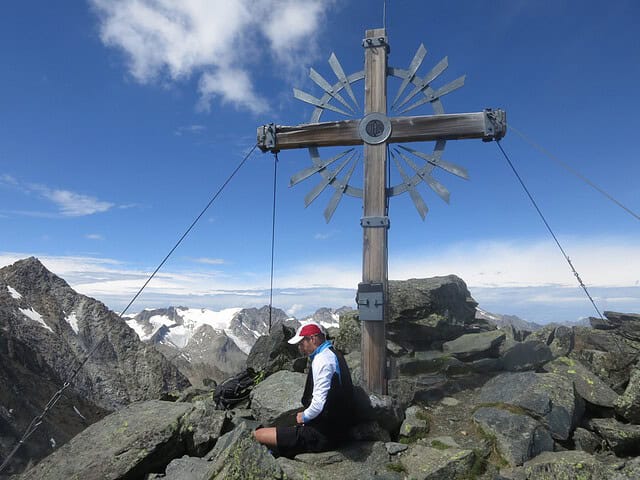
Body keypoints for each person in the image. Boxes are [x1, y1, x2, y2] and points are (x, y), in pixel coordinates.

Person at [253, 321, 354, 457]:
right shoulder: (334, 355)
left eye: (302, 343)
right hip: (339, 429)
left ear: (312, 339)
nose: (300, 348)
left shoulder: (322, 360)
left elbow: (319, 404)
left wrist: (304, 417)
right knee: (282, 434)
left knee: (258, 435)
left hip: (323, 435)